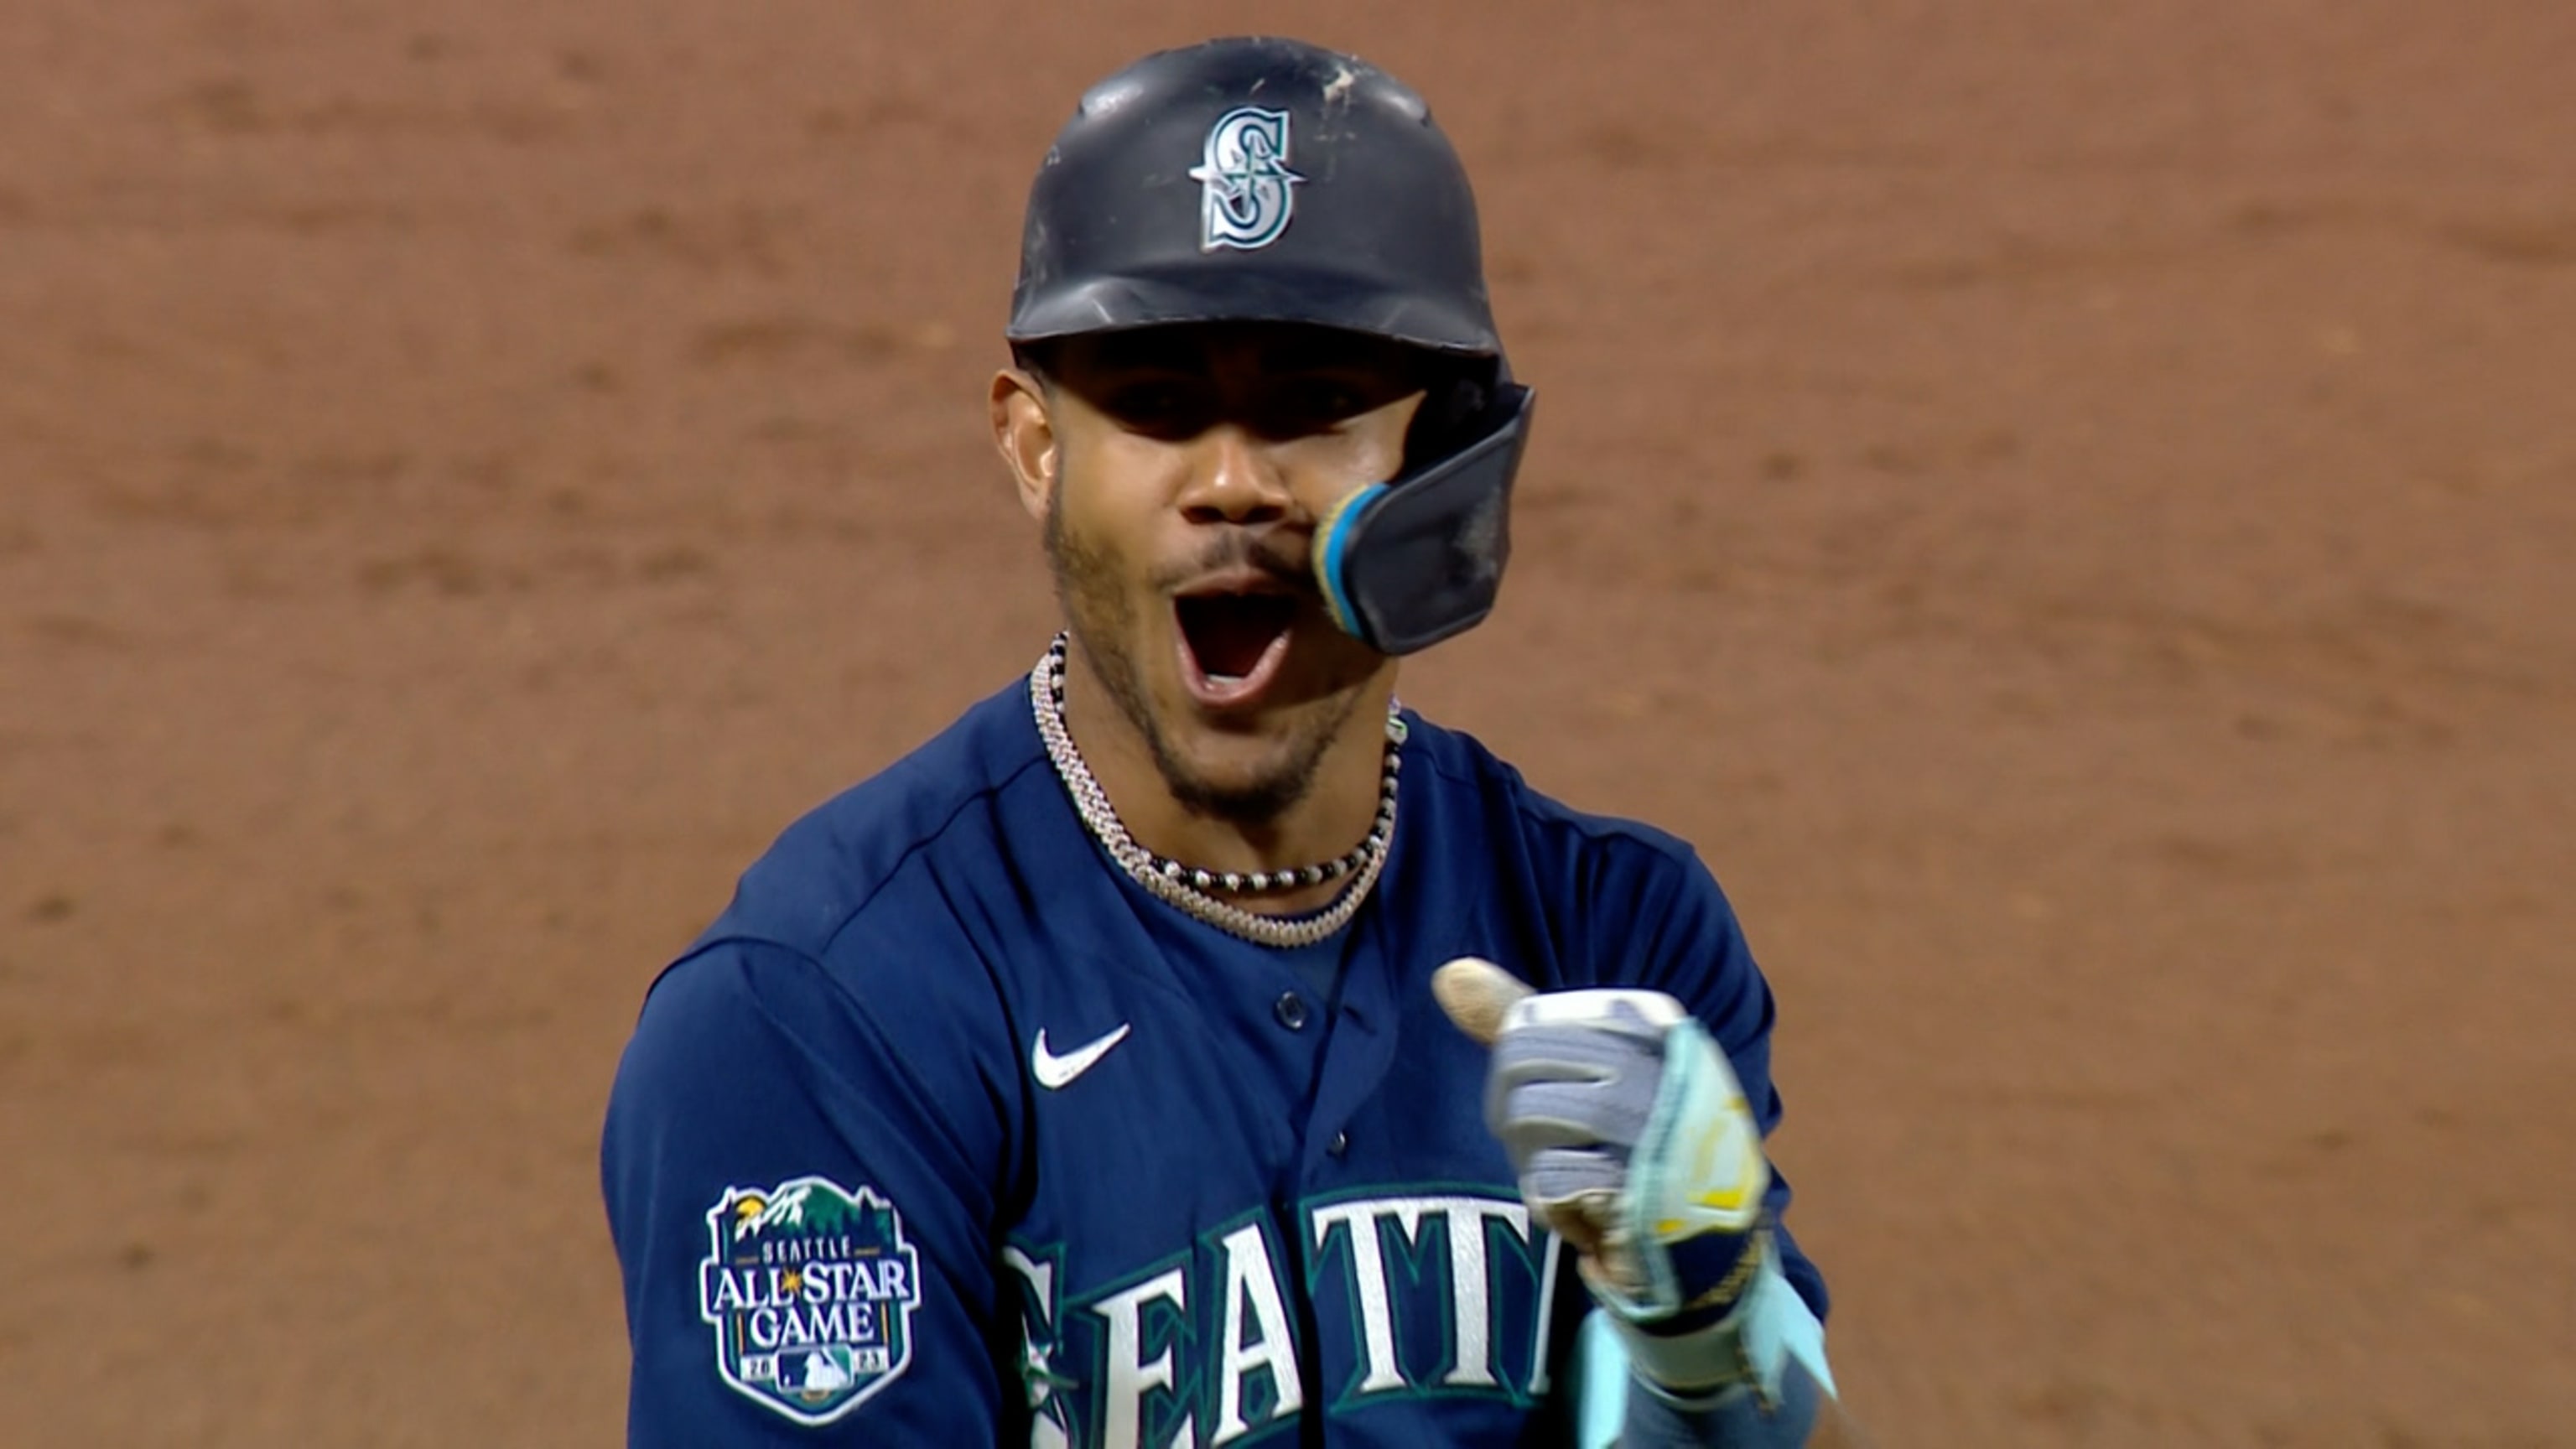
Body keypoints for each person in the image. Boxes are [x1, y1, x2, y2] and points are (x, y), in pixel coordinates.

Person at [603, 35, 1867, 1447]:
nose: (1231, 483)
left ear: (1449, 463)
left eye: (1314, 406)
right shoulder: (828, 1015)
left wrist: (1703, 1341)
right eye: (1153, 408)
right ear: (1035, 449)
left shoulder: (1615, 936)